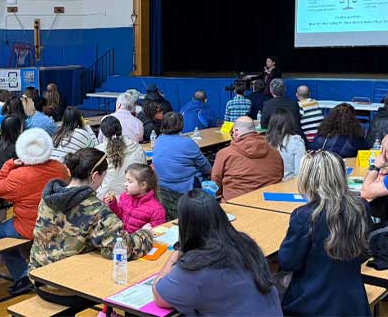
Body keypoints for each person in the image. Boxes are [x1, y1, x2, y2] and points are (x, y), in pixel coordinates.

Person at [29, 148, 155, 312]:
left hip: (38, 278)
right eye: (103, 176)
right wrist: (146, 233)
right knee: (131, 279)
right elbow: (124, 248)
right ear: (95, 175)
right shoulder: (94, 208)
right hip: (68, 289)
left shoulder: (48, 199)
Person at [152, 190, 282, 316]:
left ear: (185, 227)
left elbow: (159, 297)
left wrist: (176, 255)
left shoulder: (195, 265)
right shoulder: (244, 242)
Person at [279, 151, 370, 316]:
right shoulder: (360, 207)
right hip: (353, 298)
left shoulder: (305, 215)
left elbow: (288, 262)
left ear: (308, 179)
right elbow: (364, 251)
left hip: (311, 302)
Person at [0, 128, 68, 295]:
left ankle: (22, 276)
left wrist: (9, 164)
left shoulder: (19, 175)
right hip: (58, 222)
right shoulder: (60, 168)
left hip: (28, 226)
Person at [152, 112, 212, 219]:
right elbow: (205, 166)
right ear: (181, 125)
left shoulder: (158, 141)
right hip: (186, 190)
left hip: (163, 190)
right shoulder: (187, 143)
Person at [212, 116, 283, 201]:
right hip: (270, 203)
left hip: (236, 205)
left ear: (236, 132)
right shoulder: (274, 152)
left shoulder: (224, 154)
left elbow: (215, 185)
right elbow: (279, 175)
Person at [95, 116, 147, 200]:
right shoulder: (136, 146)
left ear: (103, 133)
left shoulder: (98, 151)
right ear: (121, 128)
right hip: (133, 196)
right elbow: (144, 171)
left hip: (107, 198)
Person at [105, 163, 166, 233]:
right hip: (123, 238)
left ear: (143, 185)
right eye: (126, 180)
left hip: (140, 242)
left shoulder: (156, 209)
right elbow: (119, 217)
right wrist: (113, 204)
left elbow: (158, 233)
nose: (125, 184)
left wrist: (145, 232)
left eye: (130, 181)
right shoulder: (124, 197)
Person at [266, 109, 306, 180]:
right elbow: (300, 172)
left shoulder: (265, 141)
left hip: (268, 183)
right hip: (288, 185)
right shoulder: (296, 142)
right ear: (291, 122)